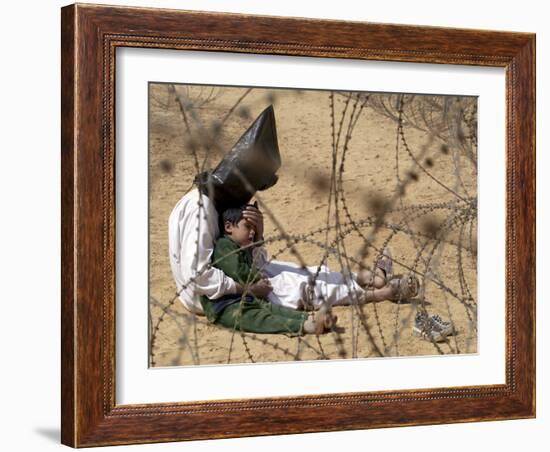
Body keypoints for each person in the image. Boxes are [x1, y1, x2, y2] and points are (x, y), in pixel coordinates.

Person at [168, 105, 418, 316]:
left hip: (231, 275)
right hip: (206, 297)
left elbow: (253, 262)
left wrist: (258, 235)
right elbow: (197, 275)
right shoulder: (199, 210)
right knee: (289, 285)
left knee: (291, 270)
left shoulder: (215, 204)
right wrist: (247, 288)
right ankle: (378, 294)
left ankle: (366, 278)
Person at [200, 206, 336, 335]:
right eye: (247, 227)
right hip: (224, 307)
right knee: (261, 319)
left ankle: (311, 319)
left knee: (273, 310)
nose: (252, 232)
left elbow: (254, 264)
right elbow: (237, 271)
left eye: (254, 228)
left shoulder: (242, 247)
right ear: (229, 227)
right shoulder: (225, 246)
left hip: (246, 298)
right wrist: (257, 278)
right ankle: (306, 326)